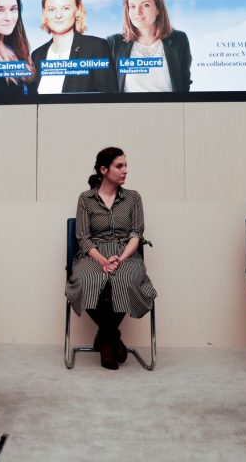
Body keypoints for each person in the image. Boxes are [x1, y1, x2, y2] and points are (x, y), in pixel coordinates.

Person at [65, 147, 157, 370]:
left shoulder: (133, 198)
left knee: (125, 279)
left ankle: (105, 340)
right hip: (93, 254)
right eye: (119, 166)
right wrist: (103, 261)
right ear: (104, 169)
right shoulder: (85, 199)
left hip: (126, 254)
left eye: (126, 165)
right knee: (88, 280)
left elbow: (136, 234)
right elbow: (83, 238)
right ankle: (112, 337)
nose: (125, 170)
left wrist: (121, 258)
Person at [31, 0, 117, 94]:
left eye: (66, 8)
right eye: (51, 9)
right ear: (44, 13)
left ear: (78, 10)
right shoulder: (36, 56)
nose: (58, 15)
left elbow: (111, 99)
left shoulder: (96, 47)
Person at [107, 0, 192, 93]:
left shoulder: (179, 40)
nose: (138, 12)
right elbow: (108, 89)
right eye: (132, 7)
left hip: (169, 109)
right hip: (129, 109)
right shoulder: (114, 43)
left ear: (158, 9)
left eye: (145, 5)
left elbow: (184, 85)